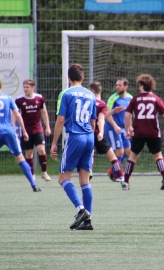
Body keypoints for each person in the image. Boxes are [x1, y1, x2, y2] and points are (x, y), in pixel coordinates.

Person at [50, 64, 96, 230]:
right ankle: (88, 221)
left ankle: (81, 210)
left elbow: (61, 120)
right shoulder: (91, 95)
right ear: (83, 78)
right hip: (89, 136)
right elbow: (93, 121)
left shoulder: (66, 93)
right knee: (84, 180)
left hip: (74, 137)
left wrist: (54, 143)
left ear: (68, 79)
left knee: (63, 178)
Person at [123, 74, 164, 190]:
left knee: (132, 157)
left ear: (142, 85)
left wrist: (128, 129)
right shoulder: (156, 99)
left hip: (138, 133)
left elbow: (127, 116)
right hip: (153, 132)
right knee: (158, 156)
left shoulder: (135, 99)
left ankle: (126, 182)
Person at [14, 79, 52, 181]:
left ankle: (44, 172)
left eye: (27, 87)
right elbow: (15, 114)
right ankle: (32, 175)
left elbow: (44, 112)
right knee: (29, 153)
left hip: (37, 128)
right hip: (26, 130)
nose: (25, 89)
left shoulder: (39, 98)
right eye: (24, 87)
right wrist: (13, 126)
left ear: (32, 87)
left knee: (41, 149)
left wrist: (47, 127)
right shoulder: (19, 100)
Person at [88, 81, 125, 182]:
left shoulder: (86, 101)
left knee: (89, 154)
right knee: (113, 157)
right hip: (98, 133)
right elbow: (101, 119)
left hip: (86, 133)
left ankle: (89, 171)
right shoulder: (102, 104)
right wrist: (100, 132)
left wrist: (113, 111)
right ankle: (122, 179)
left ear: (92, 90)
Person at [105, 78, 133, 181]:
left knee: (128, 150)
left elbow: (129, 115)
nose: (117, 87)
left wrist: (130, 127)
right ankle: (116, 174)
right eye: (117, 85)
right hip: (112, 128)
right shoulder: (113, 98)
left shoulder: (130, 98)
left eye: (120, 85)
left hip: (123, 128)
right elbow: (107, 114)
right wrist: (115, 126)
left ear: (126, 86)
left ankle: (113, 170)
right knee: (120, 152)